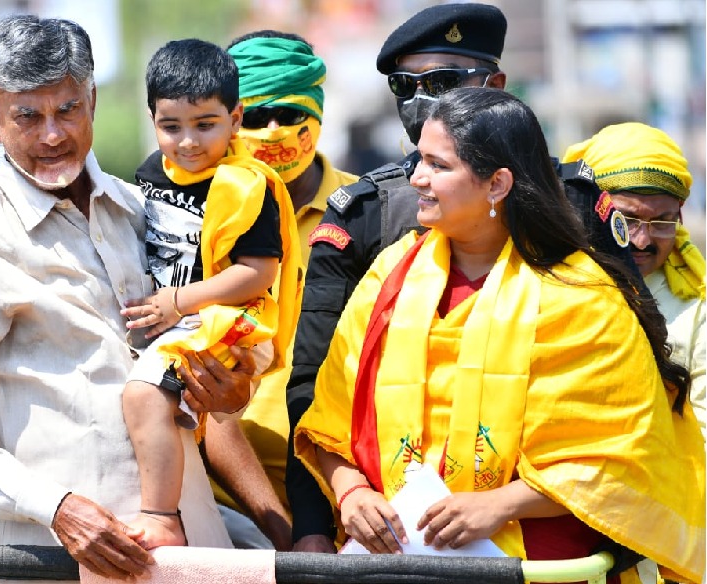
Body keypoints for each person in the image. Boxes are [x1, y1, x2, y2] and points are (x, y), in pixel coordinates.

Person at [294, 88, 705, 584]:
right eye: (420, 160)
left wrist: (500, 504)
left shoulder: (582, 294)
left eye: (437, 165)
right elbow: (330, 417)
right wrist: (351, 491)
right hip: (394, 556)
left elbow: (621, 455)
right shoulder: (390, 273)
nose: (416, 177)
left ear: (497, 184)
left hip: (531, 560)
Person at [0, 16, 256, 583]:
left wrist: (230, 394)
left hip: (195, 548)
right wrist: (57, 508)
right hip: (64, 559)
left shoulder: (145, 212)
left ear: (92, 100)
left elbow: (201, 367)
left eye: (67, 109)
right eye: (27, 116)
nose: (52, 136)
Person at [285, 3, 508, 552]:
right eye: (407, 86)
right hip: (393, 527)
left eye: (443, 82)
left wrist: (508, 503)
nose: (423, 101)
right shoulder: (366, 215)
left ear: (496, 85)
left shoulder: (572, 206)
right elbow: (317, 388)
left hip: (533, 535)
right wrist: (324, 518)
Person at [120, 38, 300, 550]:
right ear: (152, 119)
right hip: (173, 322)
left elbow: (258, 274)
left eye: (205, 125)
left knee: (142, 394)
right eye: (171, 126)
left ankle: (160, 516)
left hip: (231, 323)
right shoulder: (149, 174)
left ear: (235, 118)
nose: (188, 142)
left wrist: (179, 301)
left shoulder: (246, 186)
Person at [200, 31, 358, 551]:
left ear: (316, 112)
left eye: (289, 114)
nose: (273, 131)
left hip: (351, 502)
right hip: (224, 509)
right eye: (257, 114)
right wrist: (288, 539)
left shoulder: (369, 213)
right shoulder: (193, 217)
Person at [563, 122, 706, 441]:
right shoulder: (551, 285)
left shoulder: (697, 307)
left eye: (662, 223)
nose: (642, 240)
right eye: (626, 220)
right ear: (593, 211)